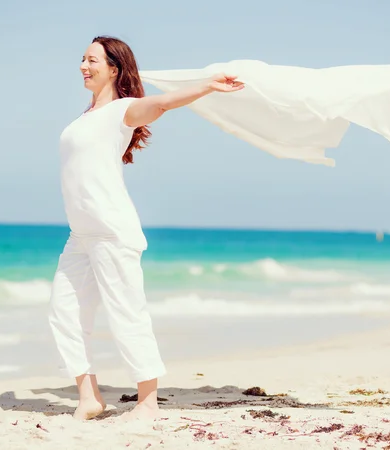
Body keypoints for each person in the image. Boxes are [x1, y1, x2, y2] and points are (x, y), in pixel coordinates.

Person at [48, 35, 244, 421]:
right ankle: (89, 396)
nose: (84, 66)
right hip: (81, 234)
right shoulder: (86, 116)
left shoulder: (122, 110)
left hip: (111, 230)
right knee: (64, 312)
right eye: (82, 59)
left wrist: (207, 85)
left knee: (127, 313)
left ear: (114, 68)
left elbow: (162, 103)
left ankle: (148, 402)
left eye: (93, 61)